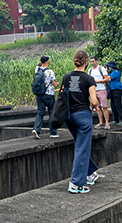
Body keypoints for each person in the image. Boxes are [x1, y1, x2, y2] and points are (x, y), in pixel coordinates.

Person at [61, 50, 100, 193]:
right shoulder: (89, 79)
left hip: (70, 116)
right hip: (83, 115)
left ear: (74, 61)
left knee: (80, 146)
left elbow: (62, 95)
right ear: (86, 62)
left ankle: (90, 173)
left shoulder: (66, 77)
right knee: (82, 148)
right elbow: (94, 100)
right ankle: (76, 183)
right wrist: (94, 107)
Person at [31, 55, 60, 139]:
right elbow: (55, 85)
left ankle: (36, 129)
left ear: (41, 62)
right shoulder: (50, 72)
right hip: (49, 95)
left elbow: (37, 65)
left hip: (39, 95)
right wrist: (57, 83)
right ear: (48, 62)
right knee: (52, 112)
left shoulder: (37, 70)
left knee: (40, 112)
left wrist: (40, 63)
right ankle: (53, 132)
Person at [88, 56, 111, 130]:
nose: (92, 63)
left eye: (93, 61)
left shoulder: (101, 69)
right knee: (98, 107)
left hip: (101, 89)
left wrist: (98, 81)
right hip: (94, 90)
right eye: (91, 61)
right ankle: (101, 122)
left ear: (96, 61)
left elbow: (106, 79)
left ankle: (107, 122)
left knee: (104, 106)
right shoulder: (90, 70)